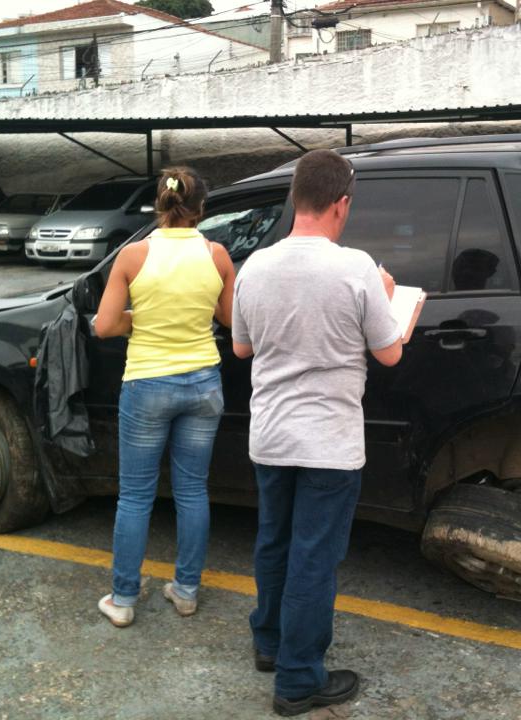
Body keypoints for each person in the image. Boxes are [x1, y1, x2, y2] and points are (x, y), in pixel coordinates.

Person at [231, 149, 404, 716]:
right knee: (313, 558)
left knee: (274, 543)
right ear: (342, 203)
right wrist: (385, 293)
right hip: (328, 442)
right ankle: (299, 680)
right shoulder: (356, 268)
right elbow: (390, 353)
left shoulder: (255, 265)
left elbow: (241, 346)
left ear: (294, 198)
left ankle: (270, 644)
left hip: (272, 435)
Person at [94, 167, 236, 628]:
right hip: (203, 384)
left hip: (148, 383)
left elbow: (104, 325)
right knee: (193, 490)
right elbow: (230, 320)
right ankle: (187, 590)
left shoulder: (133, 256)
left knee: (135, 496)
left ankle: (123, 598)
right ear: (201, 209)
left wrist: (143, 317)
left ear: (159, 205)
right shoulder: (218, 256)